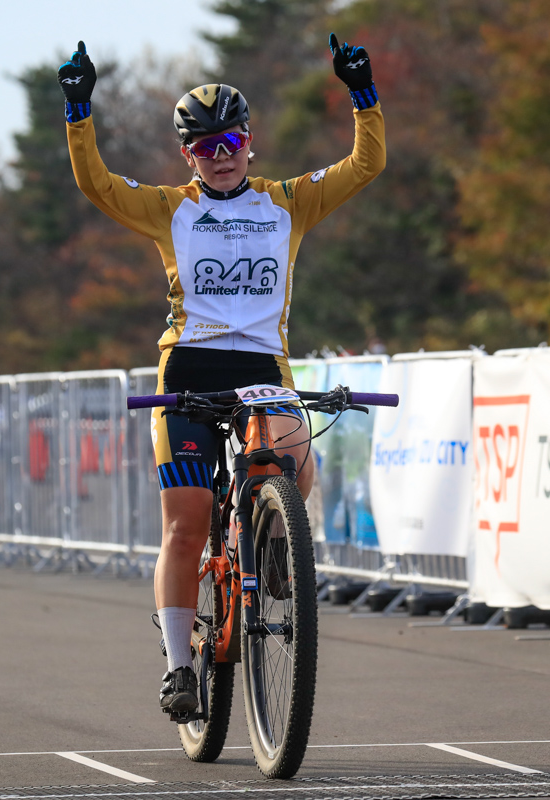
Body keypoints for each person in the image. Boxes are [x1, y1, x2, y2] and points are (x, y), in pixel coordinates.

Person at [59, 35, 385, 717]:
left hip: (262, 365)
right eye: (206, 147)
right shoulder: (169, 208)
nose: (222, 155)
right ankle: (180, 665)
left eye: (231, 140)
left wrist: (363, 95)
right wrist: (79, 112)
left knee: (296, 465)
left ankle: (271, 544)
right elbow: (97, 184)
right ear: (189, 155)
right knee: (187, 522)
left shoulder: (286, 202)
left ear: (248, 140)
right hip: (189, 369)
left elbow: (365, 165)